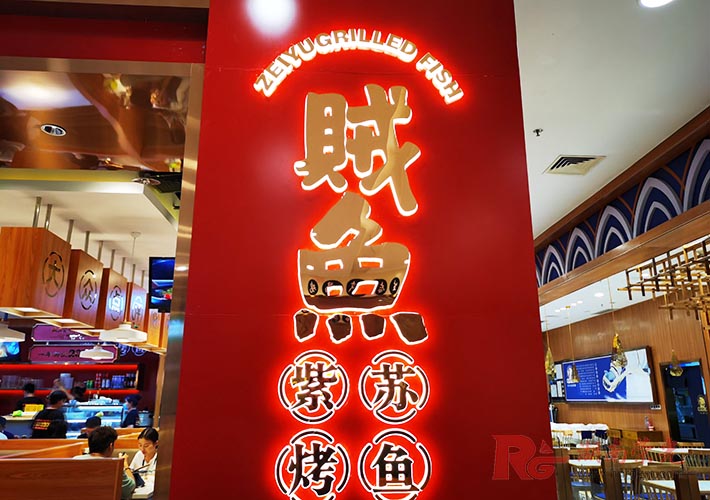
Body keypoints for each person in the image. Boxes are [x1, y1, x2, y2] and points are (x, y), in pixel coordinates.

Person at [74, 426, 136, 500]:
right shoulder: (114, 465)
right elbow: (129, 488)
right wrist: (125, 465)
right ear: (110, 446)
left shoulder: (75, 461)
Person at [130, 427, 159, 494]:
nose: (142, 449)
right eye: (140, 445)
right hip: (138, 491)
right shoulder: (139, 455)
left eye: (146, 446)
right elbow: (131, 474)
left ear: (156, 443)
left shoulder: (162, 457)